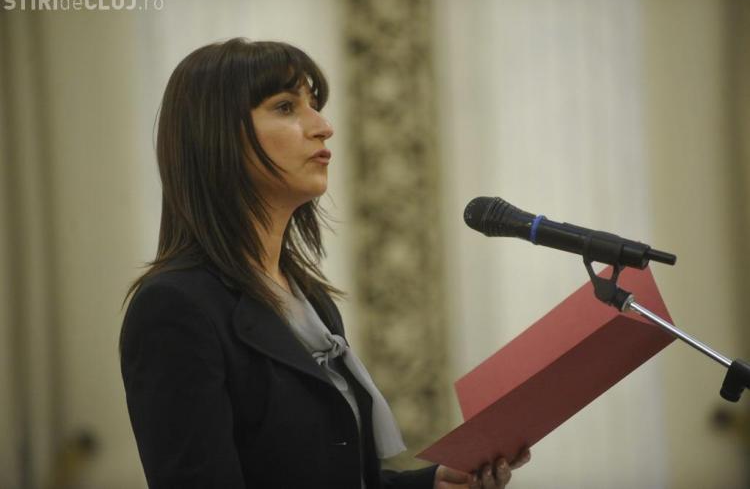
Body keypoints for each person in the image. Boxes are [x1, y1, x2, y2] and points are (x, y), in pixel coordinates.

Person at [119, 38, 530, 489]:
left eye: (314, 105)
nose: (323, 126)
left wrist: (433, 484)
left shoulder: (308, 297)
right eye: (285, 107)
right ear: (216, 135)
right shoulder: (175, 308)